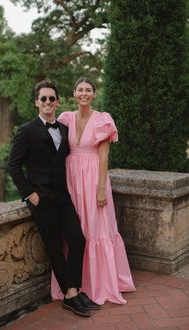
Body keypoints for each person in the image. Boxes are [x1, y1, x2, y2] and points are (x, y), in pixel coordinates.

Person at [8, 80, 101, 317]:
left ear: (58, 102)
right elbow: (13, 166)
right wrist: (29, 193)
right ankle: (71, 296)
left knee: (78, 241)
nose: (48, 102)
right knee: (55, 247)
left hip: (63, 196)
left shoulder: (64, 129)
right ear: (36, 102)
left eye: (52, 98)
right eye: (43, 99)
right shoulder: (26, 131)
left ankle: (73, 291)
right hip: (41, 200)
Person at [52, 77, 136, 305]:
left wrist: (100, 189)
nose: (84, 93)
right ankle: (74, 284)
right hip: (72, 180)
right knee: (75, 231)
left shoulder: (102, 120)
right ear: (74, 93)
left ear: (94, 94)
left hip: (93, 179)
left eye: (88, 90)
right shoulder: (66, 118)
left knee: (95, 228)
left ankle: (99, 284)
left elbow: (104, 156)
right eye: (80, 89)